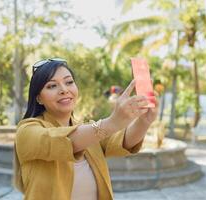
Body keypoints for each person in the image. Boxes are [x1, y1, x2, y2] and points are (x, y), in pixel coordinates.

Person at [13, 58, 159, 200]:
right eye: (52, 86)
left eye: (69, 82)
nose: (64, 90)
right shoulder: (27, 131)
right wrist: (112, 122)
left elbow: (123, 141)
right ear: (38, 98)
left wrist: (144, 122)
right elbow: (62, 140)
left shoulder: (88, 130)